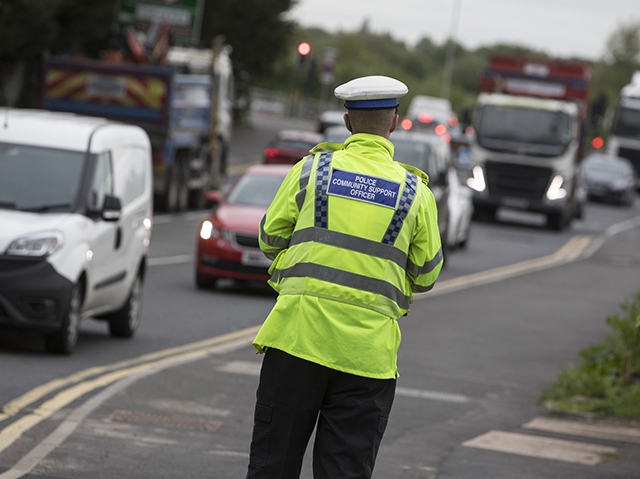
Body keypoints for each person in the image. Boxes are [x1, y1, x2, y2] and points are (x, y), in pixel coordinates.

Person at [246, 75, 444, 479]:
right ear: (394, 123)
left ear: (347, 123)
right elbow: (426, 275)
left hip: (297, 340)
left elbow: (269, 239)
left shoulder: (310, 172)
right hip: (367, 359)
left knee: (272, 466)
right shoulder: (416, 193)